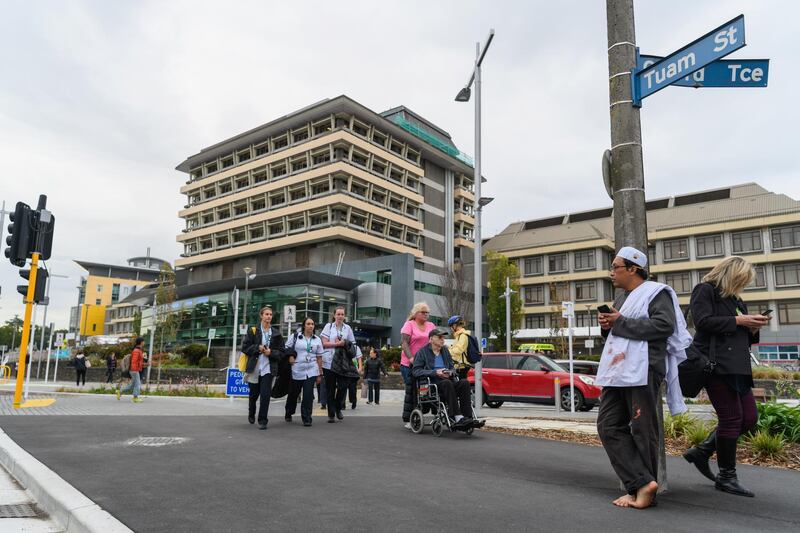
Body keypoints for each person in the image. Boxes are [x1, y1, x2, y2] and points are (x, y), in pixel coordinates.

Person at [596, 246, 691, 510]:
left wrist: (619, 321)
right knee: (607, 426)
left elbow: (664, 326)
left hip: (643, 367)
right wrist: (608, 325)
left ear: (633, 269)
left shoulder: (655, 292)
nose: (611, 272)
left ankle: (643, 489)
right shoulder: (621, 299)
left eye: (615, 267)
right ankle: (643, 481)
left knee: (642, 428)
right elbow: (618, 327)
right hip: (618, 370)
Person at [682, 257, 768, 497]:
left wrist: (752, 328)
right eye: (741, 279)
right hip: (717, 365)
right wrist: (739, 320)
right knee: (731, 420)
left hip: (738, 366)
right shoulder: (705, 290)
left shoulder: (736, 299)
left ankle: (702, 450)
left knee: (749, 418)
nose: (743, 284)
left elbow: (742, 335)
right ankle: (726, 476)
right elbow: (702, 322)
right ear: (730, 274)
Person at [412, 329, 473, 427]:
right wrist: (435, 372)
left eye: (443, 337)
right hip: (432, 385)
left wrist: (451, 373)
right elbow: (416, 371)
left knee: (464, 382)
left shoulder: (445, 351)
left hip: (447, 381)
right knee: (447, 383)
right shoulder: (422, 352)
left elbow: (452, 367)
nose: (442, 339)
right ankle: (457, 417)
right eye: (440, 337)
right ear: (431, 339)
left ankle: (468, 417)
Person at [241, 306, 286, 430]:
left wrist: (270, 352)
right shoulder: (253, 330)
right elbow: (245, 348)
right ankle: (251, 412)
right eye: (266, 314)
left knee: (265, 395)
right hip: (254, 368)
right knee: (254, 395)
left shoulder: (276, 334)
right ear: (261, 316)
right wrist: (258, 348)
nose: (269, 317)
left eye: (270, 315)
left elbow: (282, 352)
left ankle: (263, 420)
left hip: (268, 369)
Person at [400, 302, 436, 430]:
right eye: (423, 312)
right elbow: (404, 343)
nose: (426, 314)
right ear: (416, 314)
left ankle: (423, 412)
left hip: (425, 364)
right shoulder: (409, 325)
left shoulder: (431, 326)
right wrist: (411, 358)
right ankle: (410, 418)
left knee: (426, 390)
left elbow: (436, 341)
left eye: (427, 312)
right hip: (408, 364)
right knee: (412, 391)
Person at [320, 306, 358, 422]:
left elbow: (353, 345)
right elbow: (324, 343)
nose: (340, 316)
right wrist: (337, 344)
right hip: (329, 363)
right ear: (334, 315)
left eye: (342, 314)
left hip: (343, 363)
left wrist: (344, 343)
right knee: (330, 389)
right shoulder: (328, 326)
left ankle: (338, 408)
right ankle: (331, 414)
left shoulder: (348, 328)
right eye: (338, 314)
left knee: (343, 386)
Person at [285, 317, 324, 427]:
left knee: (308, 395)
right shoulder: (296, 337)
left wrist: (320, 373)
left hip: (311, 370)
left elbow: (319, 357)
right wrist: (291, 356)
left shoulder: (317, 339)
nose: (311, 326)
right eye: (308, 324)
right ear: (304, 326)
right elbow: (286, 348)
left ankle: (307, 418)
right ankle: (289, 412)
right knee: (293, 394)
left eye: (312, 324)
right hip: (297, 369)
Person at [117, 338, 144, 403]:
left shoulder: (137, 350)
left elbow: (137, 361)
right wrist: (135, 369)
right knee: (137, 383)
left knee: (132, 384)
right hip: (134, 370)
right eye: (143, 342)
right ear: (141, 342)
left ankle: (120, 391)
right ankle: (135, 397)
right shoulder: (137, 351)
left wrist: (143, 365)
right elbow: (134, 361)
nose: (144, 343)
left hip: (134, 369)